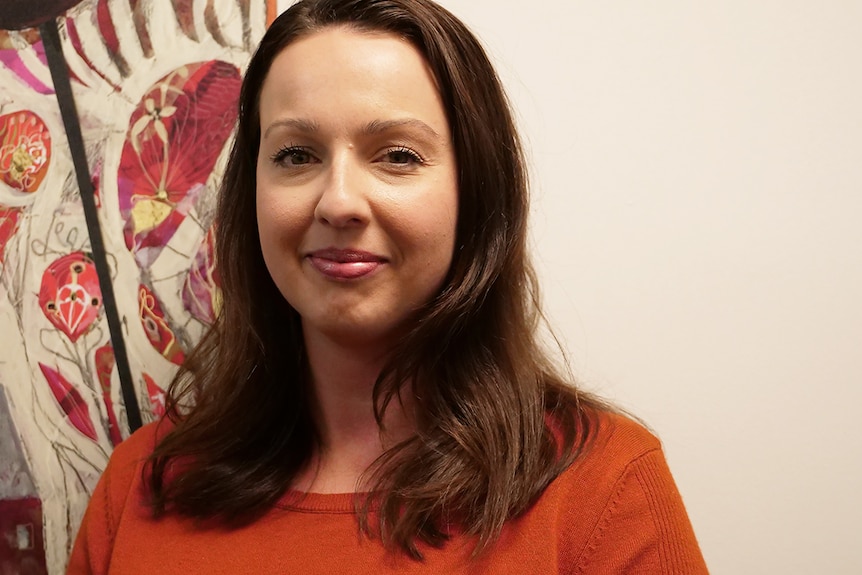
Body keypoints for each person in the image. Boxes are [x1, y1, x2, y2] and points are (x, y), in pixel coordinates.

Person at [67, 0, 708, 573]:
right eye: (296, 154)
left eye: (397, 155)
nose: (340, 201)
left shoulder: (602, 491)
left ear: (475, 193)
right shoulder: (139, 489)